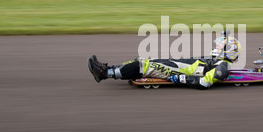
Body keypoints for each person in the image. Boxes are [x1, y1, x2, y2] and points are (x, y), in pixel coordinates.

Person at [88, 35, 241, 89]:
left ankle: (104, 73)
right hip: (177, 65)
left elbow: (204, 83)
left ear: (228, 51)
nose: (217, 47)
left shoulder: (222, 67)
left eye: (221, 46)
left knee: (142, 65)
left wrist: (181, 79)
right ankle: (109, 69)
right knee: (141, 61)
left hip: (179, 71)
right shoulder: (219, 61)